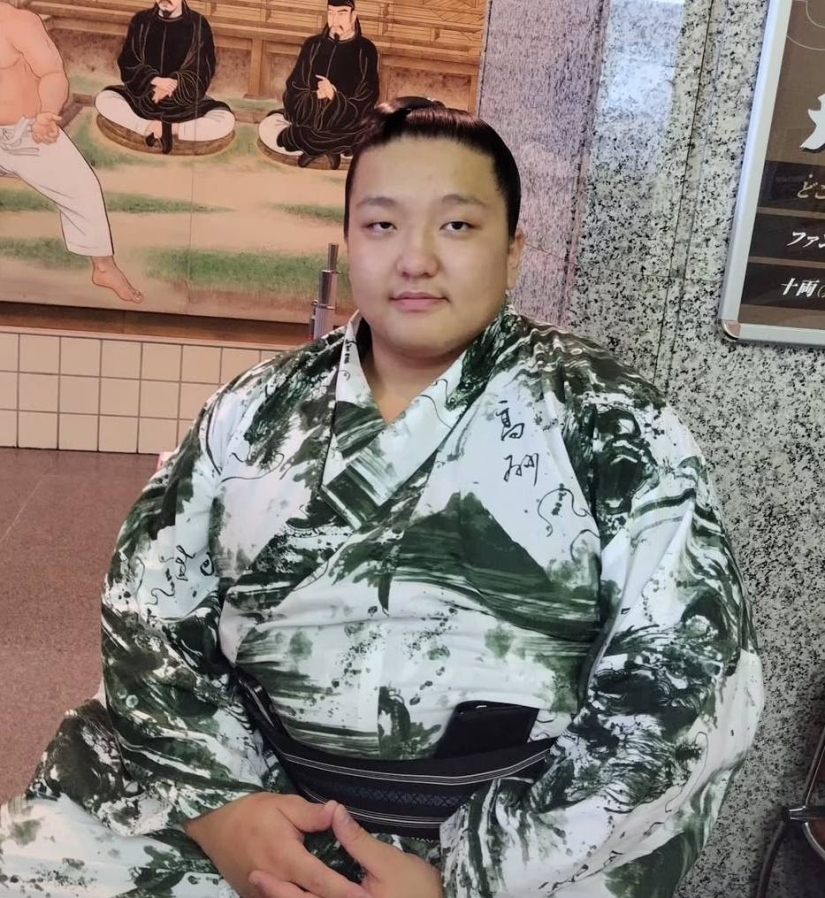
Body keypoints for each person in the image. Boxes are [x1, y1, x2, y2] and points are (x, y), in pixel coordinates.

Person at [0, 98, 763, 898]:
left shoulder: (606, 415)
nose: (415, 259)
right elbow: (149, 614)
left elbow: (688, 670)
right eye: (381, 225)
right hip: (252, 800)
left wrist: (467, 878)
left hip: (512, 848)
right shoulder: (254, 407)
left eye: (457, 226)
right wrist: (224, 809)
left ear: (513, 252)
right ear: (348, 241)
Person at [0, 0, 142, 303]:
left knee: (81, 187)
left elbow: (53, 74)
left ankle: (103, 266)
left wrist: (47, 114)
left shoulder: (18, 22)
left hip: (27, 132)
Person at [95, 0, 234, 155]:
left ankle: (167, 128)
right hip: (145, 99)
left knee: (225, 120)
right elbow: (128, 61)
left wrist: (172, 85)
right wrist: (155, 80)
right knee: (104, 99)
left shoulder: (198, 24)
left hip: (183, 105)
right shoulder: (141, 20)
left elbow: (203, 70)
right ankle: (153, 126)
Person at [258, 0, 378, 169]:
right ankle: (329, 150)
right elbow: (294, 88)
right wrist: (315, 98)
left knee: (375, 135)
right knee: (267, 127)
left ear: (353, 16)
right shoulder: (313, 45)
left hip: (347, 130)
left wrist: (334, 98)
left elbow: (367, 100)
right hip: (309, 124)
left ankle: (316, 149)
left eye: (342, 13)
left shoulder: (366, 50)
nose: (335, 20)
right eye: (331, 13)